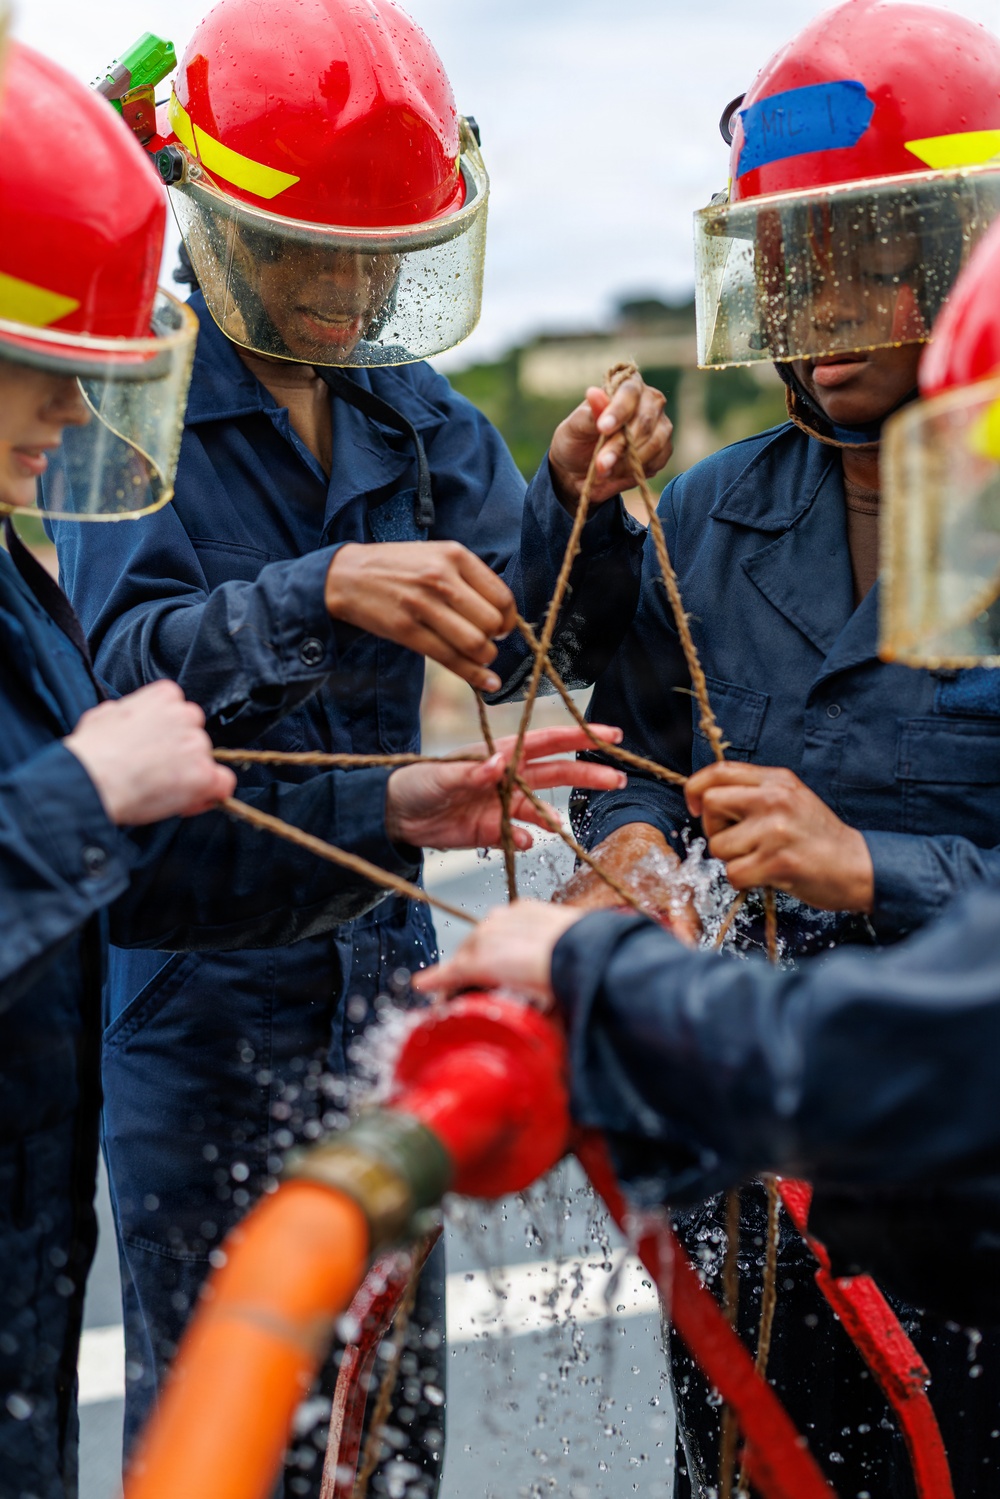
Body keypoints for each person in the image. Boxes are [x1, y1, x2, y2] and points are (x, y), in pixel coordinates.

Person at [47, 5, 672, 1490]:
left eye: (369, 263)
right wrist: (314, 593)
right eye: (311, 257)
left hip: (385, 975)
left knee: (393, 1414)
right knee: (227, 1410)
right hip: (200, 996)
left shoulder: (422, 414)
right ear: (211, 220)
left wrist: (580, 503)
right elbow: (115, 683)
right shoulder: (116, 401)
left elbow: (526, 648)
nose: (343, 293)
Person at [554, 4, 1000, 1496]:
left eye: (873, 255)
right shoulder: (708, 513)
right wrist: (622, 847)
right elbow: (627, 750)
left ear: (961, 249)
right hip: (752, 1152)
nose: (826, 304)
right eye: (793, 263)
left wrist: (867, 864)